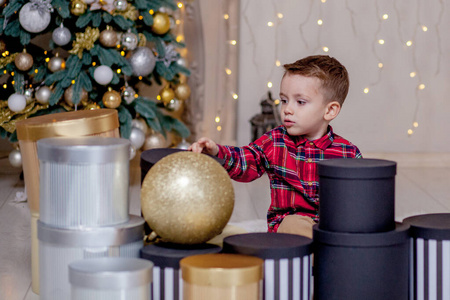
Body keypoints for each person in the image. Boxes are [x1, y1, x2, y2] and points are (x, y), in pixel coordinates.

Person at [189, 55, 362, 238]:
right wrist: (217, 151)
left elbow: (359, 198)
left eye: (300, 102)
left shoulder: (347, 152)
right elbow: (246, 160)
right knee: (295, 224)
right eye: (284, 100)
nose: (287, 109)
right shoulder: (275, 141)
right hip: (289, 224)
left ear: (329, 110)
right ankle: (320, 255)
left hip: (332, 225)